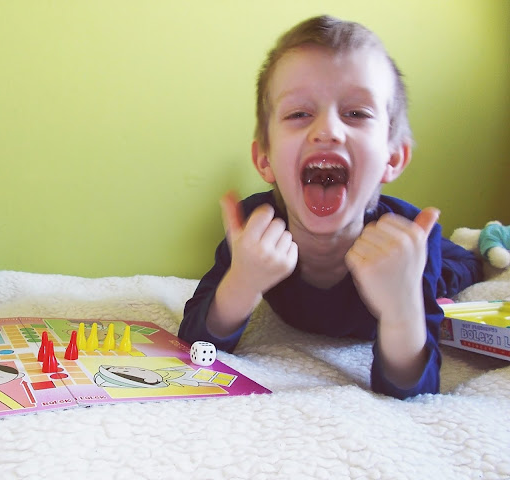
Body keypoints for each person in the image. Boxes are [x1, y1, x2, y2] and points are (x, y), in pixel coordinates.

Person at [178, 15, 482, 400]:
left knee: (460, 267)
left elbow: (413, 386)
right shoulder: (254, 229)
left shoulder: (409, 239)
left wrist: (402, 308)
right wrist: (242, 282)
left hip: (415, 262)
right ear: (265, 160)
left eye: (356, 113)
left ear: (392, 158)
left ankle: (476, 248)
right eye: (299, 114)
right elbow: (195, 341)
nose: (327, 131)